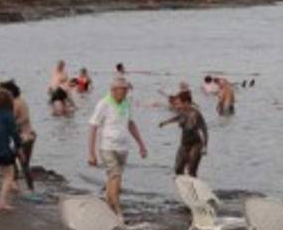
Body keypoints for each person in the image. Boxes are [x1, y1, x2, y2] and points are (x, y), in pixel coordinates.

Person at [87, 77, 148, 216]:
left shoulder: (127, 103)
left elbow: (131, 124)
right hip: (107, 147)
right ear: (113, 90)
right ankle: (118, 212)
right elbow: (93, 127)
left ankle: (108, 209)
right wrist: (91, 153)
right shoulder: (104, 103)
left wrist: (141, 145)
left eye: (127, 89)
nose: (126, 92)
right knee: (115, 176)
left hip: (123, 148)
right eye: (123, 89)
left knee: (113, 181)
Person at [159, 89, 208, 177]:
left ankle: (194, 186)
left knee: (191, 170)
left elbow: (204, 130)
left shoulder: (196, 114)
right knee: (178, 169)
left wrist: (205, 146)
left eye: (179, 103)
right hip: (184, 144)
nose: (177, 106)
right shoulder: (183, 111)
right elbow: (178, 117)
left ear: (186, 103)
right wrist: (165, 122)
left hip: (196, 144)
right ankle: (183, 185)